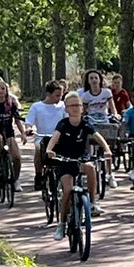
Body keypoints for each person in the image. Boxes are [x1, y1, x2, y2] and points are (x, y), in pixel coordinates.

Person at [48, 89, 109, 231]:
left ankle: (92, 203)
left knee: (91, 167)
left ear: (83, 108)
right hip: (65, 160)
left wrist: (107, 150)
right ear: (67, 109)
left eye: (78, 105)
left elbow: (98, 137)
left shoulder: (85, 124)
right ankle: (62, 224)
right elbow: (55, 137)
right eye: (72, 105)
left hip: (81, 158)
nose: (76, 108)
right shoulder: (63, 124)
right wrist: (49, 150)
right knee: (67, 191)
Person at [25, 81, 67, 189]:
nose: (59, 98)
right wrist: (29, 129)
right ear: (48, 94)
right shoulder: (37, 107)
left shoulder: (63, 106)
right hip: (42, 137)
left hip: (59, 137)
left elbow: (67, 119)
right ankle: (38, 175)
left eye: (61, 95)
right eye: (57, 95)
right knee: (38, 149)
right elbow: (29, 122)